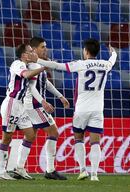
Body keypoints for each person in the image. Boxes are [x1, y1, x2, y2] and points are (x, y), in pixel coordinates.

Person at [28, 38, 117, 181]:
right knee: (95, 141)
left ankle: (82, 170)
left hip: (81, 109)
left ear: (86, 51)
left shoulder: (80, 64)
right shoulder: (105, 64)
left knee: (78, 138)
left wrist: (39, 60)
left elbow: (57, 66)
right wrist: (114, 53)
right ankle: (94, 174)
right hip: (98, 109)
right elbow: (113, 60)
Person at [0, 44, 53, 180]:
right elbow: (26, 75)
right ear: (23, 55)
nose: (32, 52)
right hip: (12, 102)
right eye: (30, 51)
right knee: (7, 137)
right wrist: (43, 67)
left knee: (30, 135)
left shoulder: (28, 66)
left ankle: (20, 168)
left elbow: (35, 82)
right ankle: (1, 171)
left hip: (21, 106)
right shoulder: (17, 64)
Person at [24, 37, 70, 180]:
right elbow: (32, 87)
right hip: (34, 104)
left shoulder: (38, 65)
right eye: (43, 47)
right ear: (35, 49)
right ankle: (50, 170)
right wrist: (43, 102)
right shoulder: (32, 66)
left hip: (32, 104)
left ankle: (18, 167)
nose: (46, 49)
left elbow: (46, 84)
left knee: (30, 136)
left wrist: (60, 96)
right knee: (54, 132)